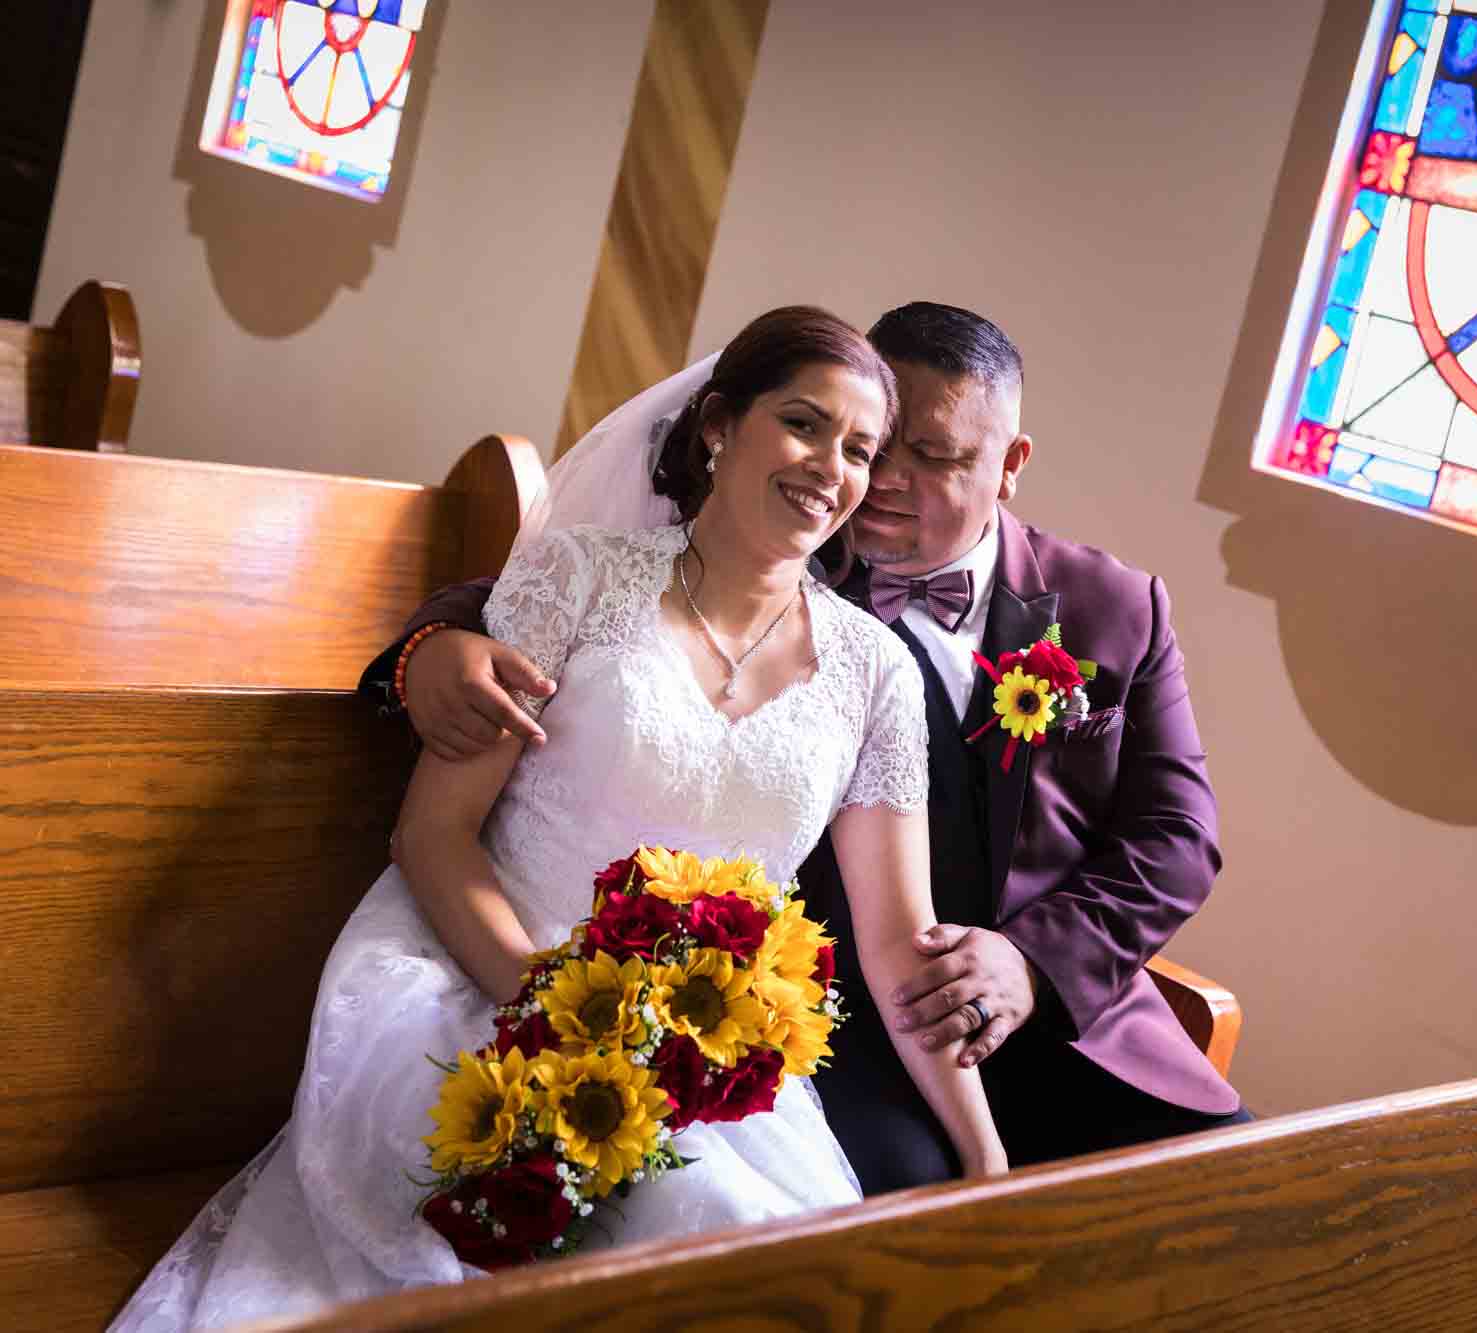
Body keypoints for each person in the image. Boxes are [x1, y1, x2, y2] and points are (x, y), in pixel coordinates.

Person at [111, 307, 1005, 1331]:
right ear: (719, 425)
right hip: (479, 987)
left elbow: (899, 948)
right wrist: (542, 1010)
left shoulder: (874, 672)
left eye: (858, 448)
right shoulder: (575, 578)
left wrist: (985, 1158)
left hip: (702, 1059)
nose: (830, 468)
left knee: (752, 1241)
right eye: (802, 424)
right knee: (689, 1221)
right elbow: (432, 835)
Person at [372, 302, 1247, 1195]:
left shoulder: (1115, 604)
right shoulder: (784, 526)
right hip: (846, 1019)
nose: (885, 480)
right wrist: (428, 648)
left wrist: (1031, 962)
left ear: (1011, 465)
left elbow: (1177, 842)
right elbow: (546, 592)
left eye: (930, 455)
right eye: (884, 446)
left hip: (1068, 1020)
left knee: (1244, 1193)